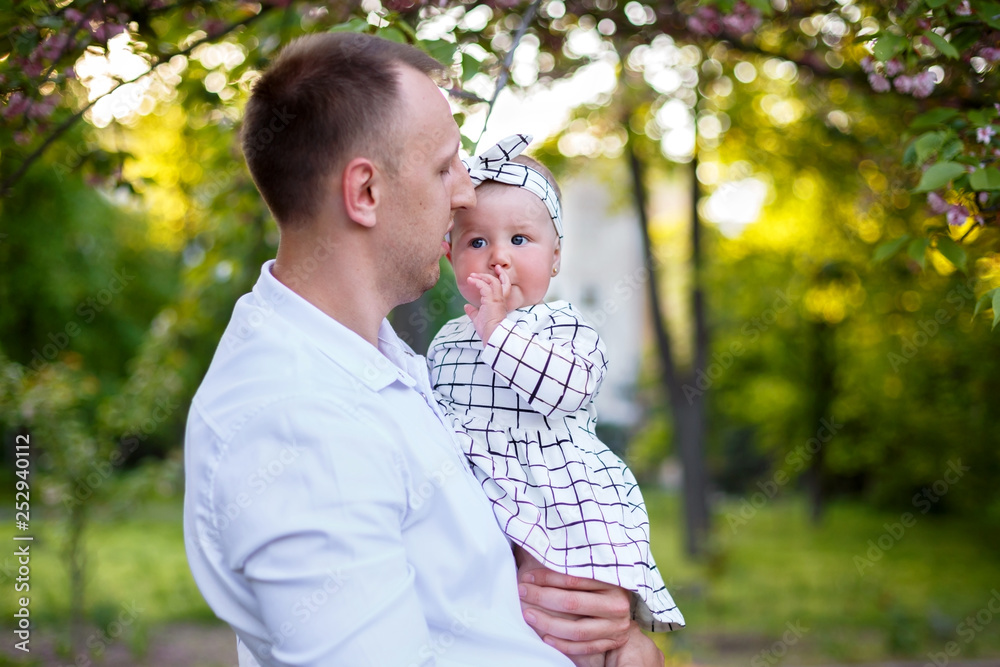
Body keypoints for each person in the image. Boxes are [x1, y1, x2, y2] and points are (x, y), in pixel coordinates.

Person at [182, 32, 665, 666]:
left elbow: (472, 586)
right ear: (365, 193)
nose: (466, 193)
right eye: (444, 167)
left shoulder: (395, 364)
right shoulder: (298, 424)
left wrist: (610, 629)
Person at [428, 135, 685, 665]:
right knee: (518, 619)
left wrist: (499, 332)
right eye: (477, 242)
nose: (499, 257)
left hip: (558, 501)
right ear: (450, 254)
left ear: (556, 257)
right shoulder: (446, 340)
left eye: (520, 239)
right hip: (484, 495)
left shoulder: (564, 328)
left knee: (574, 625)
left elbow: (568, 388)